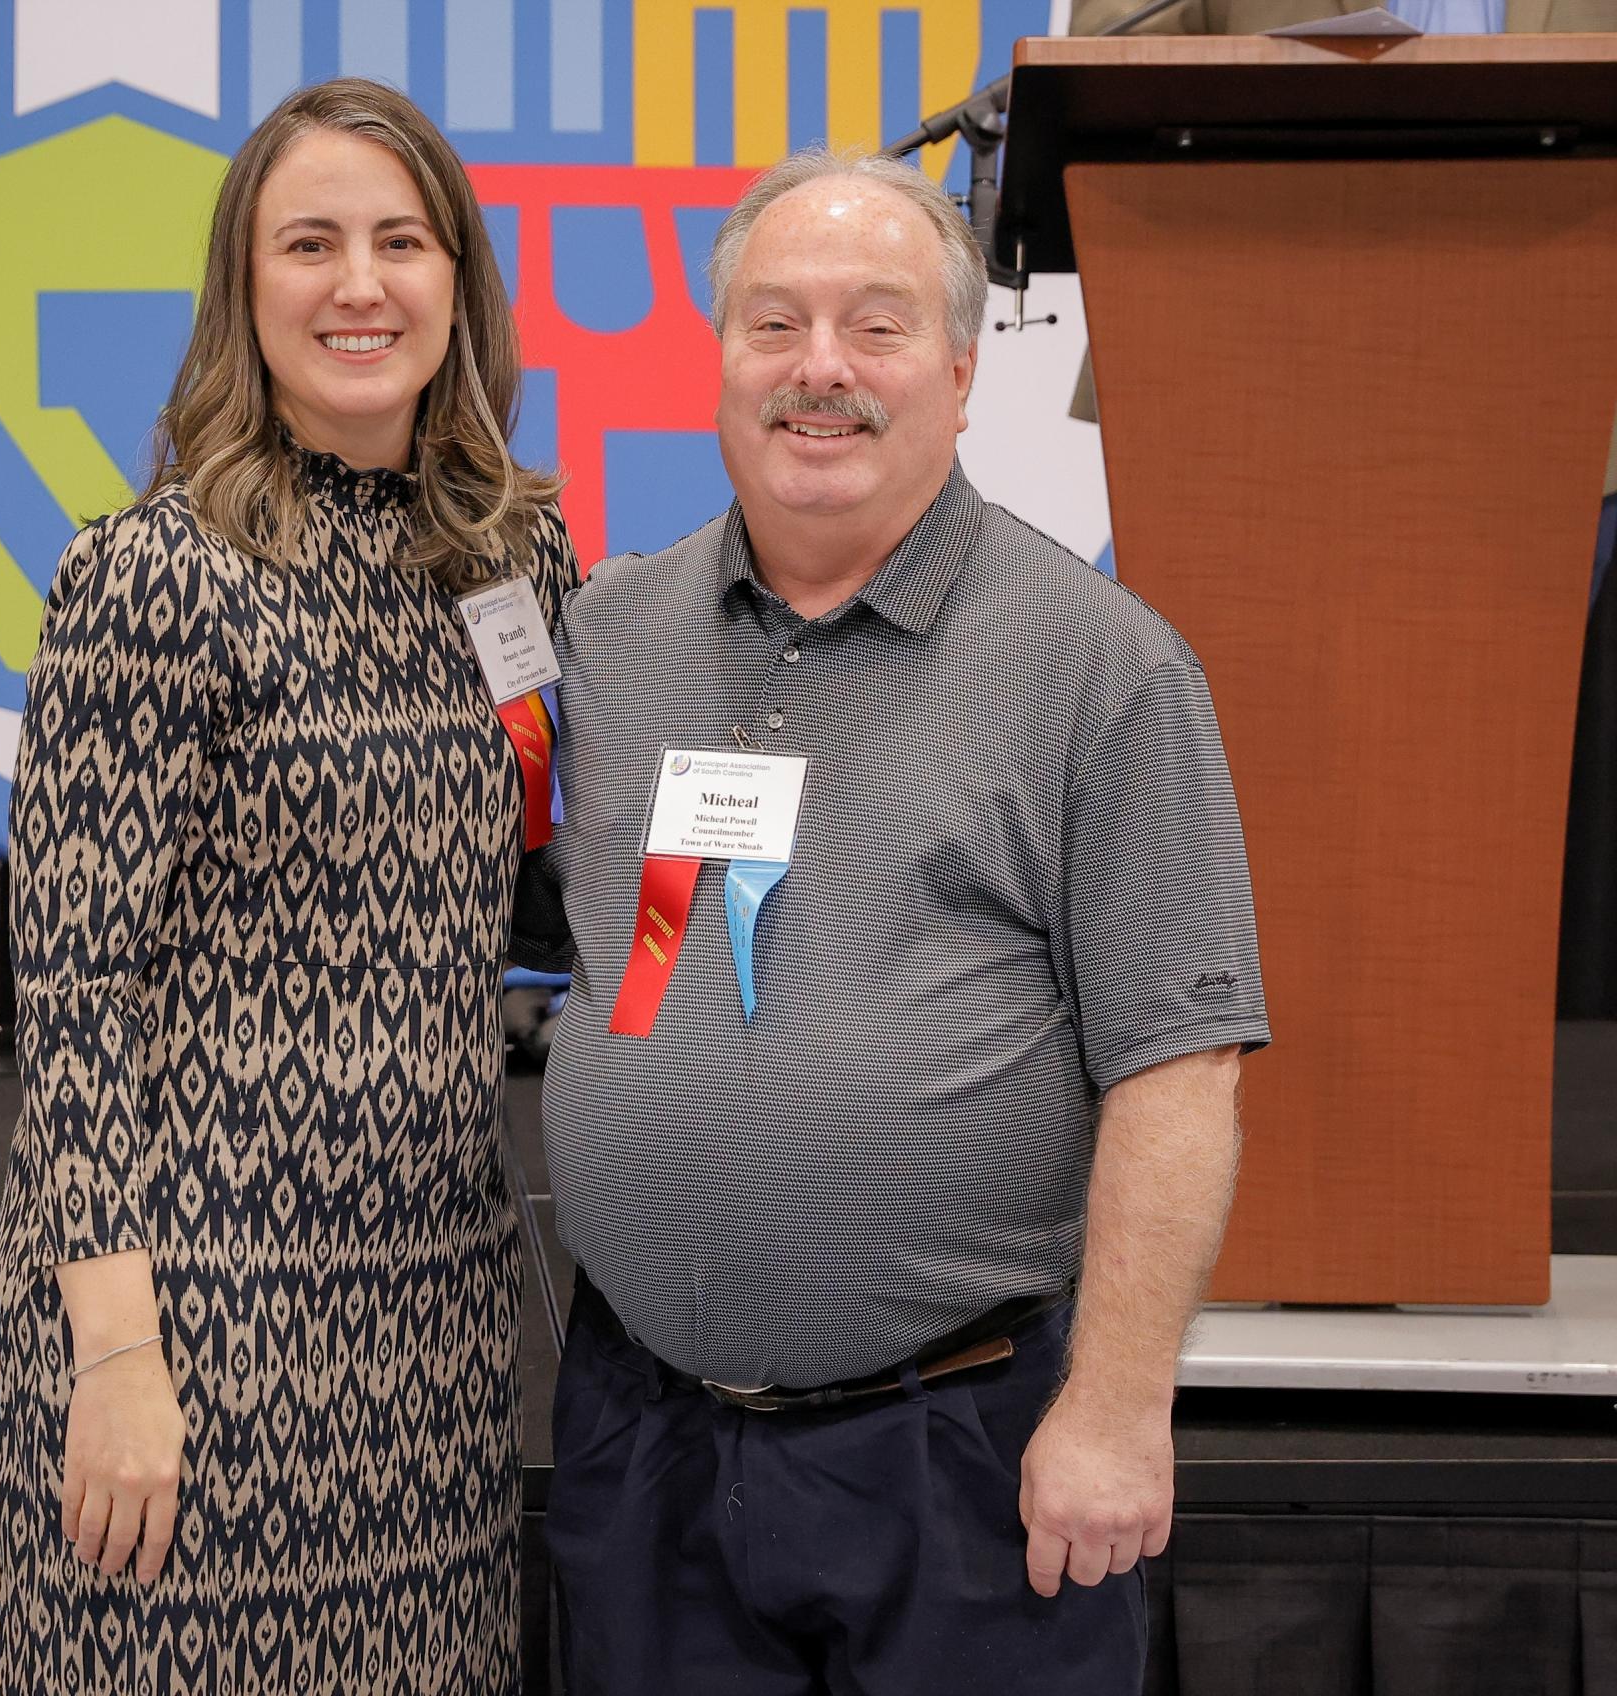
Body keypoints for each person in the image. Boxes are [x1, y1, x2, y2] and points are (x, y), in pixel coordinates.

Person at [512, 147, 1271, 1694]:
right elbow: (647, 938)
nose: (820, 371)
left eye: (875, 325)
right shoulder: (619, 634)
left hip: (959, 1460)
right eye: (774, 324)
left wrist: (1122, 1409)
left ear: (963, 370)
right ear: (717, 359)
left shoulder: (1101, 670)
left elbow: (1183, 1073)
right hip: (643, 1446)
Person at [0, 78, 578, 1696]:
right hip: (191, 1327)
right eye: (309, 243)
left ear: (459, 277)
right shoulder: (150, 575)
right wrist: (111, 1355)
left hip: (428, 1333)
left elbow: (568, 888)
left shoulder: (517, 559)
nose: (359, 285)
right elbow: (78, 1001)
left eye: (400, 239)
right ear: (246, 288)